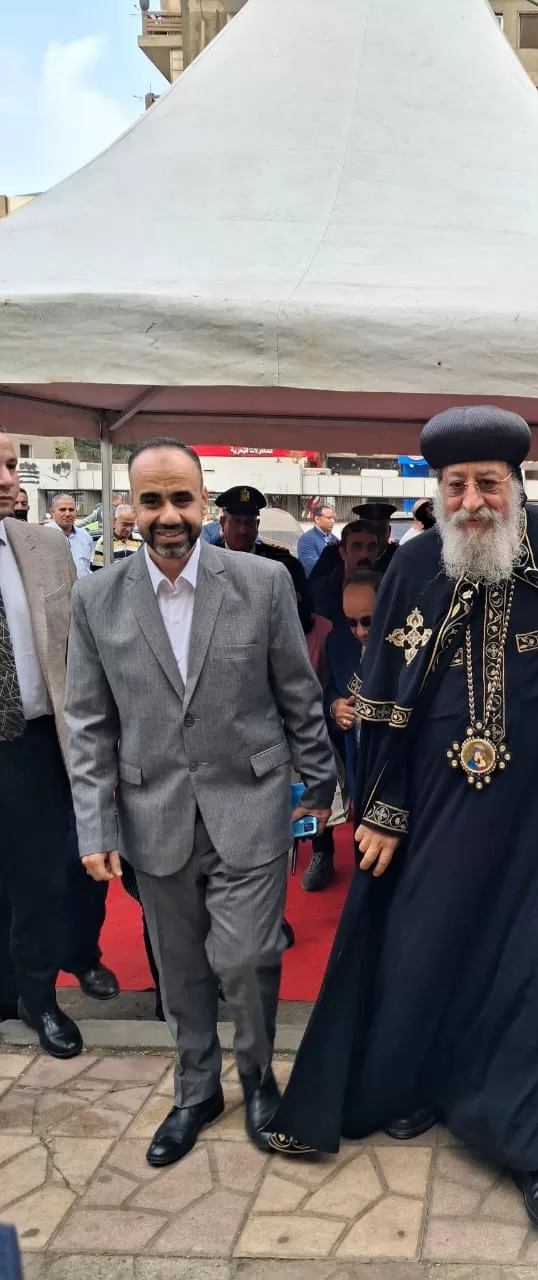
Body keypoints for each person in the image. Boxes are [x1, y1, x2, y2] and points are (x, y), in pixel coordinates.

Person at [269, 405, 538, 1239]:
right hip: (437, 808)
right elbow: (381, 701)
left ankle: (532, 1148)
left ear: (517, 483)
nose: (473, 501)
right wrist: (381, 810)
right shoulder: (413, 563)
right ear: (438, 492)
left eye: (488, 484)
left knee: (533, 967)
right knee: (424, 951)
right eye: (456, 485)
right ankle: (424, 1086)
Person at [65, 437, 338, 1167]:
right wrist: (95, 824)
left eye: (181, 499)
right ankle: (196, 1091)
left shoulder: (262, 582)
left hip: (251, 802)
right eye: (151, 500)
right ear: (129, 508)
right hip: (152, 812)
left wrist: (320, 788)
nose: (168, 515)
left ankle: (257, 1076)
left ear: (204, 502)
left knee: (247, 957)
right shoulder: (97, 596)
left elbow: (298, 694)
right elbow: (87, 721)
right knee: (179, 970)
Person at [0, 434, 84, 1058]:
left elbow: (77, 649)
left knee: (39, 880)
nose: (9, 479)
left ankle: (37, 995)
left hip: (33, 745)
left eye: (10, 464)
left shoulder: (45, 546)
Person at [301, 570, 382, 892]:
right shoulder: (338, 643)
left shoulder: (413, 645)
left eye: (368, 621)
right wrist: (335, 707)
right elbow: (330, 692)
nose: (360, 631)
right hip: (358, 761)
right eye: (352, 622)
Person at [213, 485, 313, 633]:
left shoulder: (284, 566)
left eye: (249, 523)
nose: (243, 530)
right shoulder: (207, 562)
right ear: (222, 523)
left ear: (257, 525)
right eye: (236, 522)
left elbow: (301, 619)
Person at [307, 520, 379, 625]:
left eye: (371, 547)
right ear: (343, 552)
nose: (365, 554)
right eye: (357, 547)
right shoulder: (320, 591)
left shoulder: (387, 590)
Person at [48, 494, 94, 578]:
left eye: (71, 510)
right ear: (52, 512)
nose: (67, 514)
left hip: (83, 585)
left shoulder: (85, 536)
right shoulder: (43, 535)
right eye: (62, 510)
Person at [91, 504, 141, 570]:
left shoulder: (140, 540)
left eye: (132, 525)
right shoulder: (104, 542)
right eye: (125, 524)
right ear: (114, 521)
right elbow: (98, 570)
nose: (128, 529)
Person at [297, 502, 338, 576]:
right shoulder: (306, 540)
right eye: (329, 518)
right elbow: (314, 567)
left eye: (333, 518)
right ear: (317, 519)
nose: (332, 521)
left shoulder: (334, 539)